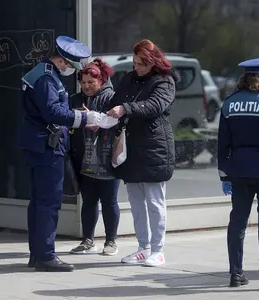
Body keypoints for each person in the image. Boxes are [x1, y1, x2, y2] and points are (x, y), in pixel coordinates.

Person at [17, 36, 102, 272]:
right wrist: (86, 117)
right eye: (71, 66)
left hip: (40, 144)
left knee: (39, 202)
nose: (70, 71)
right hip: (46, 146)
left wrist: (74, 114)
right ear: (63, 61)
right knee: (48, 202)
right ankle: (45, 255)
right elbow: (52, 112)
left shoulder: (44, 73)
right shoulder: (46, 78)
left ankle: (38, 254)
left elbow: (54, 109)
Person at [106, 39, 178, 267]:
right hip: (132, 148)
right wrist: (103, 117)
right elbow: (116, 101)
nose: (136, 67)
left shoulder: (164, 82)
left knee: (155, 202)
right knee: (136, 202)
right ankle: (143, 247)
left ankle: (158, 250)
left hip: (155, 149)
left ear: (152, 62)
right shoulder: (129, 79)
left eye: (141, 64)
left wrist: (125, 109)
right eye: (135, 62)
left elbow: (155, 106)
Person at [218, 57, 259, 290]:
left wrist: (224, 175)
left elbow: (222, 144)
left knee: (238, 222)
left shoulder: (229, 103)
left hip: (238, 170)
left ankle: (236, 273)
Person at [69, 59, 121, 256]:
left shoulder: (112, 98)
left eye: (91, 82)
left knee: (109, 201)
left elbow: (117, 122)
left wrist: (94, 117)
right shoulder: (74, 99)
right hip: (83, 157)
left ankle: (111, 241)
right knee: (88, 200)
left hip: (107, 158)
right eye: (83, 82)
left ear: (101, 80)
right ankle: (88, 240)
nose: (87, 86)